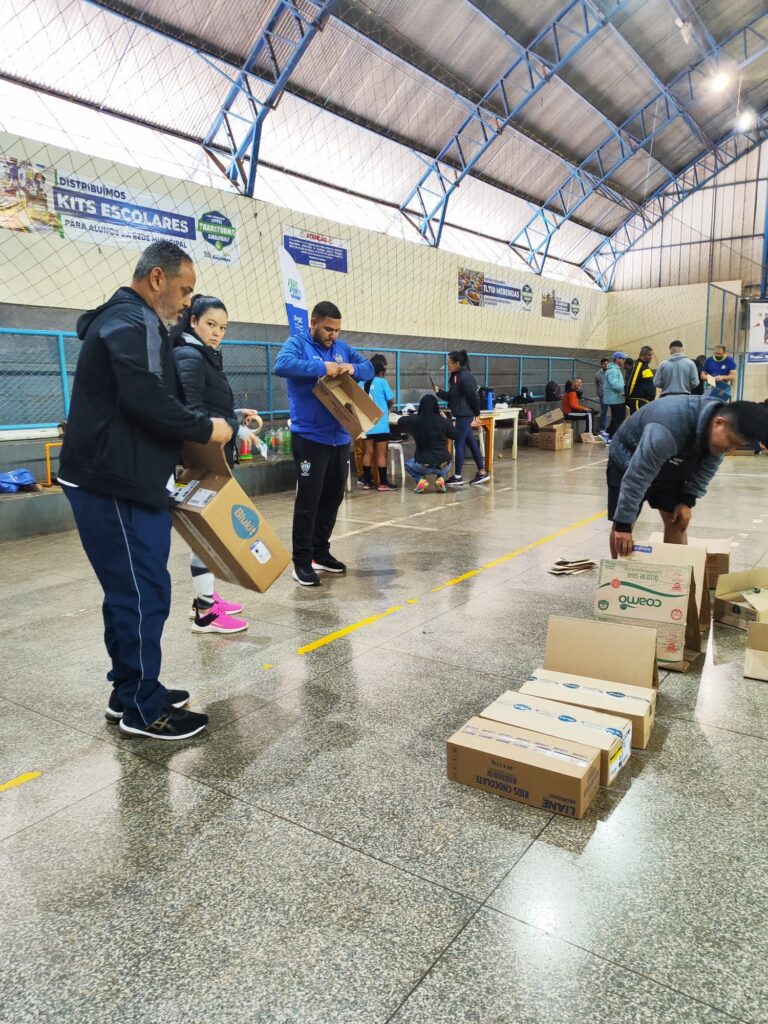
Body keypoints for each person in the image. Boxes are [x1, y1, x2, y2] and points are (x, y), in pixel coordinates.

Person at [57, 241, 233, 741]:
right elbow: (144, 396)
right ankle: (142, 706)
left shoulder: (139, 323)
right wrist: (206, 429)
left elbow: (149, 396)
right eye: (183, 290)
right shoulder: (128, 323)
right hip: (111, 479)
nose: (186, 302)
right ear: (156, 278)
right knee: (142, 591)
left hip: (124, 474)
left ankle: (128, 689)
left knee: (130, 590)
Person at [172, 294, 262, 634]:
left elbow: (207, 407)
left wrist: (235, 417)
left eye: (222, 327)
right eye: (210, 324)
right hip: (202, 459)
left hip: (211, 455)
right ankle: (205, 614)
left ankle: (204, 599)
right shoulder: (190, 356)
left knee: (208, 535)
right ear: (193, 321)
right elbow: (192, 413)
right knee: (207, 536)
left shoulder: (203, 355)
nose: (217, 332)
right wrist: (233, 427)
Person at [274, 300, 374, 586]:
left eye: (337, 330)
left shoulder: (343, 350)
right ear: (314, 323)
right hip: (309, 436)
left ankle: (321, 551)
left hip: (340, 436)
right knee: (309, 499)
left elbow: (367, 367)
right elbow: (281, 365)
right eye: (328, 329)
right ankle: (302, 561)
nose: (333, 335)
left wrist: (352, 370)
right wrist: (321, 366)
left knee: (333, 496)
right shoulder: (298, 343)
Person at [607, 397, 768, 557]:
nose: (730, 450)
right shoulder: (667, 428)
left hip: (671, 460)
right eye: (731, 441)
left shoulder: (718, 436)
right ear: (718, 423)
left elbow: (706, 470)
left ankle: (676, 577)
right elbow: (637, 477)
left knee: (677, 522)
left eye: (737, 446)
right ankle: (615, 574)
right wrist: (623, 525)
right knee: (623, 529)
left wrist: (686, 501)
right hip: (629, 456)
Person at [435, 350, 489, 487]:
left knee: (458, 443)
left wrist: (476, 412)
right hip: (460, 413)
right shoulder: (455, 377)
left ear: (458, 363)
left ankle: (458, 476)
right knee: (470, 442)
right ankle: (482, 472)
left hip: (465, 414)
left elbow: (473, 396)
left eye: (450, 363)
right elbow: (451, 397)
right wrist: (438, 392)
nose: (448, 365)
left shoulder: (466, 377)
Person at [397, 394, 455, 492]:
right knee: (446, 460)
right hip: (443, 465)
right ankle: (440, 479)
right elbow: (454, 435)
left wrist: (412, 416)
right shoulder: (444, 422)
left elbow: (400, 421)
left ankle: (420, 480)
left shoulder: (415, 420)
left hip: (422, 465)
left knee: (408, 464)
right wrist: (446, 420)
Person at [360, 353, 396, 492]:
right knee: (381, 455)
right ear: (381, 372)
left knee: (367, 453)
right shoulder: (382, 382)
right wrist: (386, 409)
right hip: (381, 424)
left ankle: (367, 482)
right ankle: (383, 484)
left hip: (367, 424)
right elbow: (391, 400)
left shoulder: (362, 383)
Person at [602, 352, 628, 441]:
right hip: (615, 399)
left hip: (617, 398)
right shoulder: (613, 370)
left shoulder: (615, 369)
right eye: (623, 359)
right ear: (617, 359)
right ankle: (610, 437)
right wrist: (624, 388)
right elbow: (615, 384)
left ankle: (608, 433)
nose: (624, 361)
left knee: (619, 417)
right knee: (618, 417)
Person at [626, 345, 655, 413]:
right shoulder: (638, 365)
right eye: (649, 355)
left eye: (651, 355)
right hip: (637, 402)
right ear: (642, 355)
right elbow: (632, 381)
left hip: (644, 402)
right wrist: (629, 398)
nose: (651, 357)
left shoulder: (645, 366)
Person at [595, 358, 609, 432]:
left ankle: (612, 428)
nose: (606, 365)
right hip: (603, 395)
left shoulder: (611, 372)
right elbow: (597, 383)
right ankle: (602, 429)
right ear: (601, 365)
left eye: (607, 363)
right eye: (604, 364)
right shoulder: (597, 374)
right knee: (604, 412)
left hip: (611, 395)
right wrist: (598, 392)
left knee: (615, 412)